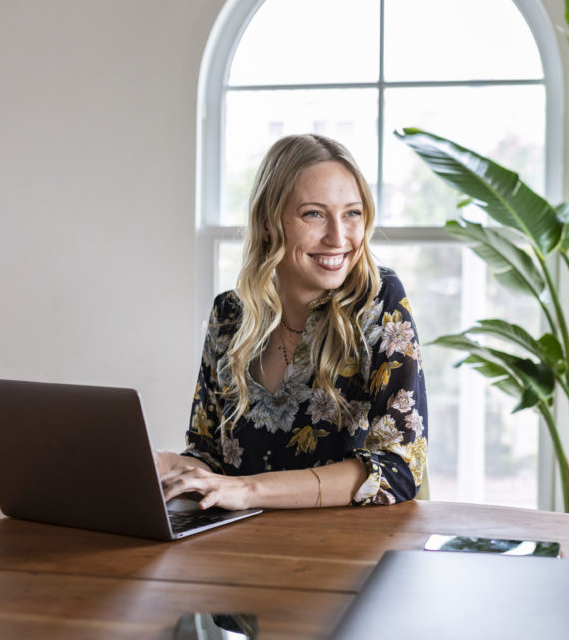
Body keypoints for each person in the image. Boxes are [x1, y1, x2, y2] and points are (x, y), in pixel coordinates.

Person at [157, 134, 427, 510]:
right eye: (313, 214)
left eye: (352, 213)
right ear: (269, 222)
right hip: (240, 547)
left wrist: (248, 491)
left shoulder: (380, 302)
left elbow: (398, 468)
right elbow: (211, 456)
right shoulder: (229, 316)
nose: (338, 237)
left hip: (345, 551)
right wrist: (171, 466)